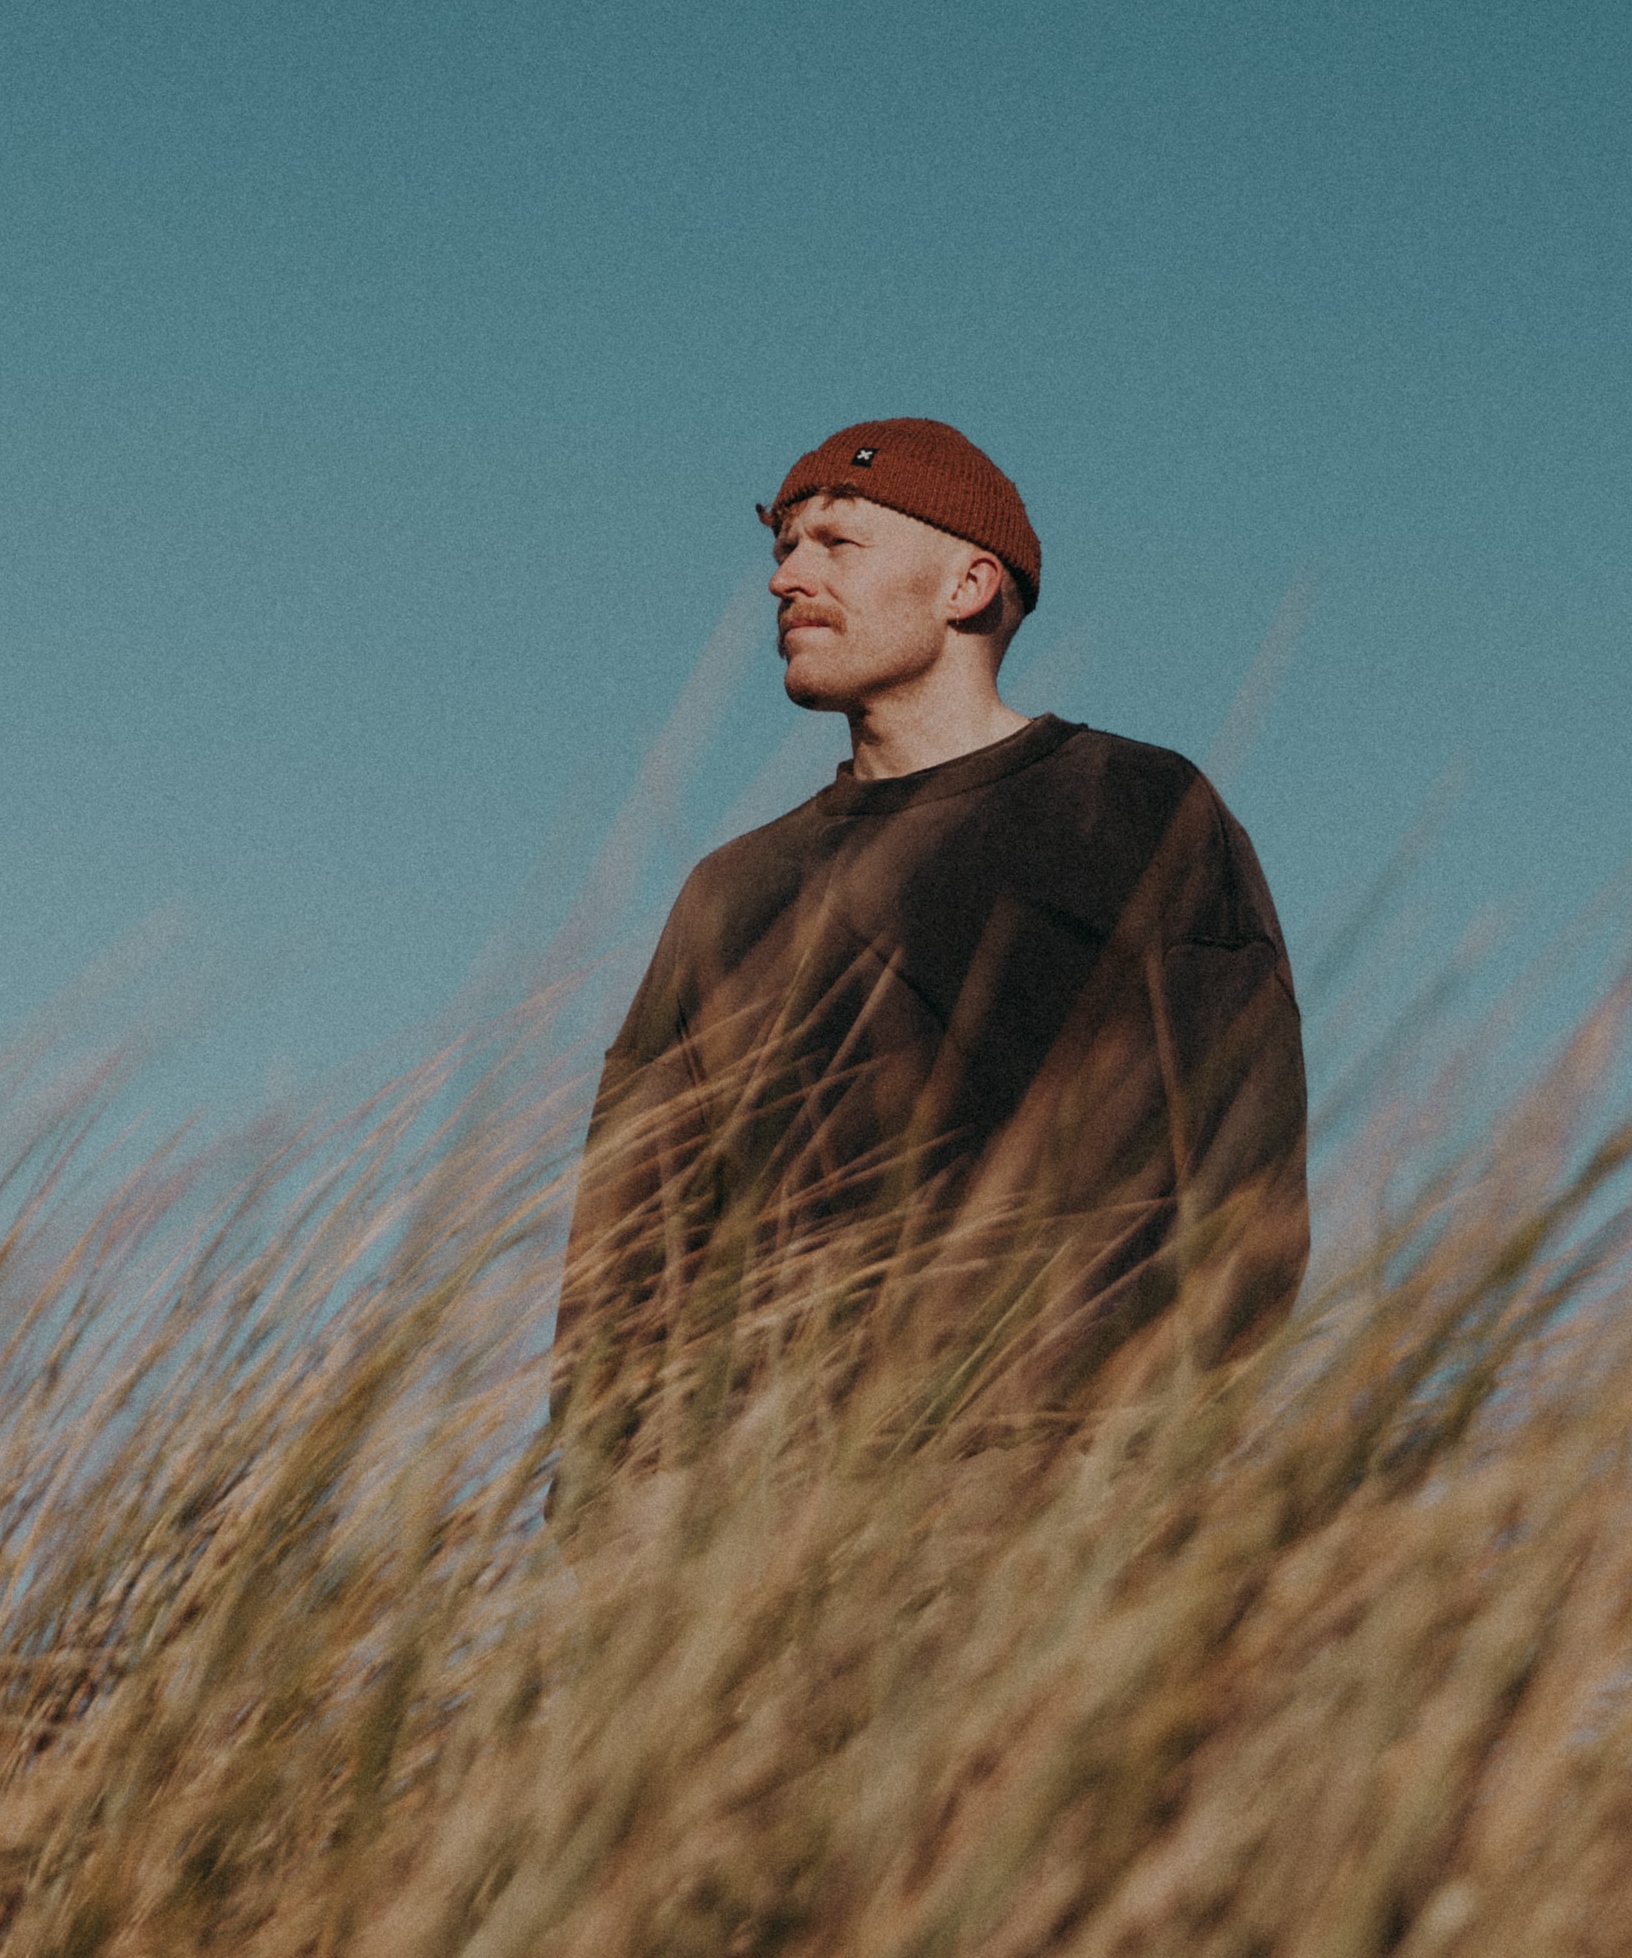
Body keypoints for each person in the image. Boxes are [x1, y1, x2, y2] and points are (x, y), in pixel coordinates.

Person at [552, 418, 1307, 1459]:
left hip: (1060, 1499)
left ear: (967, 586)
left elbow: (1242, 1175)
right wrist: (606, 1517)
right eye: (782, 547)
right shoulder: (731, 889)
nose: (786, 578)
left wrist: (1165, 1474)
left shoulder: (1133, 809)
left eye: (836, 543)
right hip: (756, 1533)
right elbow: (631, 1243)